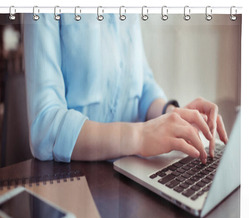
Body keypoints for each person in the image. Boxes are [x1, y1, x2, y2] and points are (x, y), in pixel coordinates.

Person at [24, 14, 227, 164]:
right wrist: (140, 136)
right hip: (76, 185)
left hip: (131, 173)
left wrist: (172, 114)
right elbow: (44, 126)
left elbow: (143, 85)